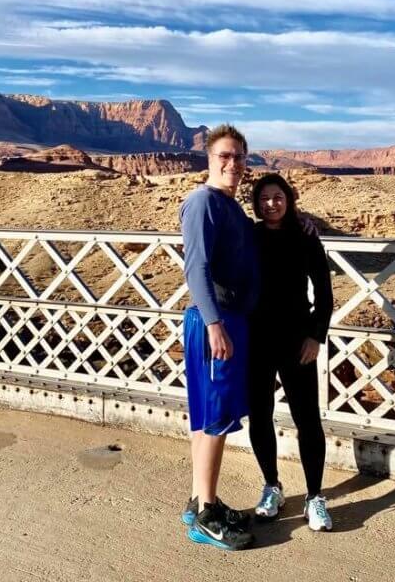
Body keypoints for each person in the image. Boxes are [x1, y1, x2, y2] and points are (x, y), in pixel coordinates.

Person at [178, 123, 259, 551]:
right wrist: (214, 324)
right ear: (209, 160)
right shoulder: (202, 202)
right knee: (214, 419)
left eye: (239, 157)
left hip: (227, 321)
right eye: (224, 156)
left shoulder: (232, 208)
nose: (233, 164)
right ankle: (207, 517)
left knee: (210, 415)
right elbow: (197, 268)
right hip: (215, 323)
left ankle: (200, 501)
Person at [247, 172, 334, 531]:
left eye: (278, 196)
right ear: (256, 203)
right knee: (260, 415)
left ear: (288, 198)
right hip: (256, 340)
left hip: (298, 340)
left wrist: (317, 336)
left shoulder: (305, 237)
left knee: (307, 420)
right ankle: (272, 486)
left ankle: (315, 497)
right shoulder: (249, 237)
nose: (272, 203)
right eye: (265, 198)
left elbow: (325, 294)